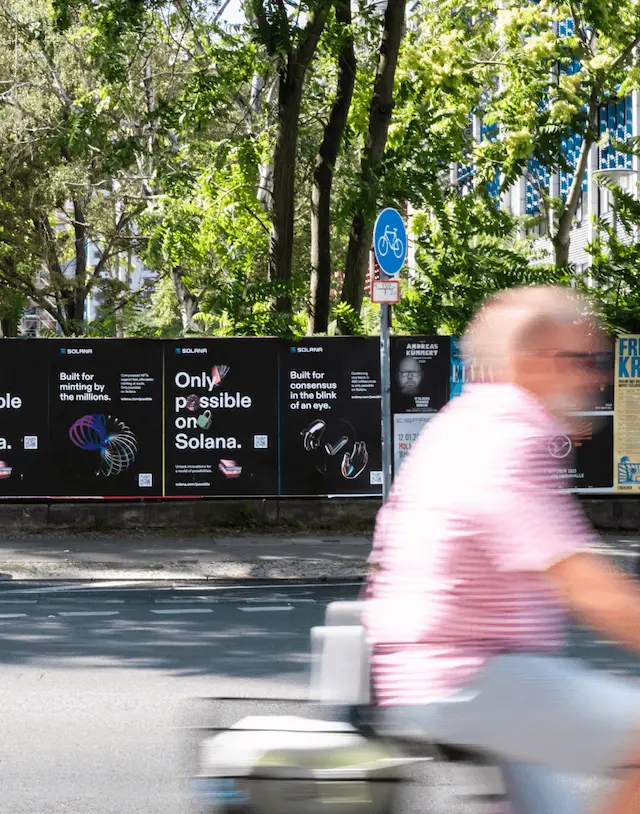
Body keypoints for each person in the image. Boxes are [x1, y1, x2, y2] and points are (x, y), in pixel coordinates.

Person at [363, 285, 640, 814]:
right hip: (475, 675)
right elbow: (584, 584)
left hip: (453, 670)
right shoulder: (512, 433)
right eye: (583, 359)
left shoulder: (464, 420)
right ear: (534, 361)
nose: (596, 376)